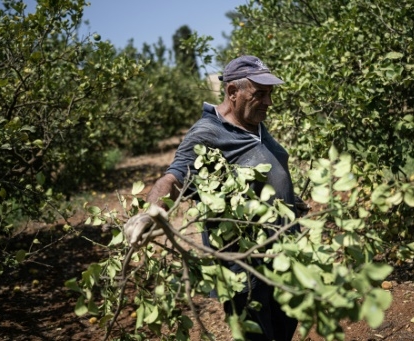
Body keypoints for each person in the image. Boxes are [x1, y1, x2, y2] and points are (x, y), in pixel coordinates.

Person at [124, 55, 301, 341]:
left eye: (271, 93)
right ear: (233, 93)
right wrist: (151, 211)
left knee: (284, 326)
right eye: (261, 94)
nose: (269, 102)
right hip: (243, 262)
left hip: (282, 251)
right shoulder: (207, 133)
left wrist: (290, 200)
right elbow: (175, 176)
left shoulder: (252, 122)